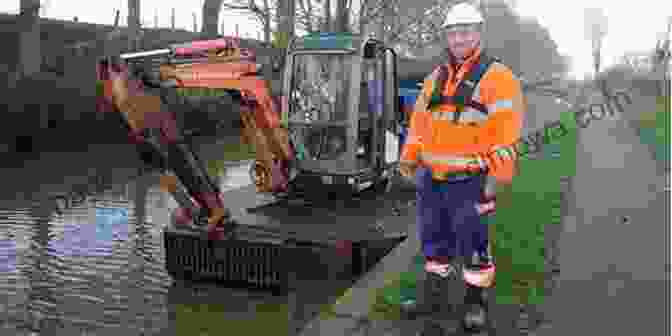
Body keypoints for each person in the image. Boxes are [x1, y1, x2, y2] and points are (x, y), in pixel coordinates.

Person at [398, 2, 525, 335]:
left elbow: (506, 135)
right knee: (434, 242)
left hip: (472, 182)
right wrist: (409, 161)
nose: (458, 38)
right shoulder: (433, 80)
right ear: (446, 37)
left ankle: (475, 303)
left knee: (474, 243)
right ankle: (434, 299)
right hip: (432, 181)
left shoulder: (499, 78)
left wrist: (496, 179)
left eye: (465, 31)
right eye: (453, 32)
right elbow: (418, 126)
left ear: (478, 33)